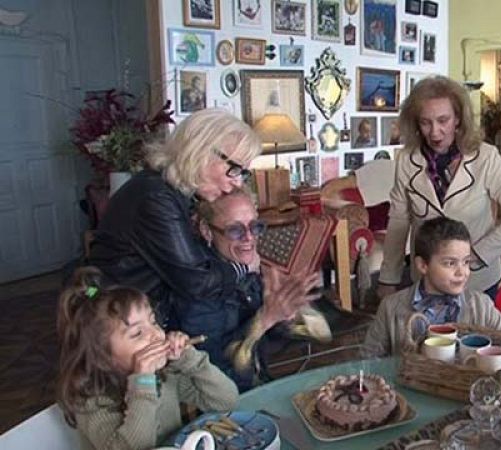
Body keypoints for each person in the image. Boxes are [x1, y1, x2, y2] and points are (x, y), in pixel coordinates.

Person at [90, 109, 263, 342]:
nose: (237, 182)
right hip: (118, 324)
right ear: (202, 152)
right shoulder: (157, 198)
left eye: (243, 173)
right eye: (234, 169)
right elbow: (197, 282)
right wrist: (245, 268)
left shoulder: (171, 191)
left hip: (134, 313)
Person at [377, 76, 501, 300]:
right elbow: (399, 222)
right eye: (425, 122)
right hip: (426, 283)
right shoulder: (406, 160)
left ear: (458, 119)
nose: (434, 132)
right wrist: (388, 279)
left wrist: (478, 254)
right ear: (415, 123)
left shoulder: (485, 157)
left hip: (476, 283)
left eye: (443, 120)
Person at [56, 267, 238, 450]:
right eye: (137, 333)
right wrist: (142, 383)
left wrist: (190, 358)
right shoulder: (91, 399)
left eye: (153, 322)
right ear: (104, 358)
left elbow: (225, 401)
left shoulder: (165, 374)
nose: (156, 334)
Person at [195, 189, 319, 390]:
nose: (249, 238)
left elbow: (267, 342)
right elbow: (217, 371)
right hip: (223, 403)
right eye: (235, 230)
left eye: (255, 227)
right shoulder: (199, 285)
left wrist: (287, 317)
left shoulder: (246, 270)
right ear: (207, 230)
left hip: (260, 384)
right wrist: (266, 318)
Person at [364, 217, 501, 357]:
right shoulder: (391, 307)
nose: (462, 272)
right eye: (450, 263)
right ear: (423, 265)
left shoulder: (481, 305)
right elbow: (368, 360)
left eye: (466, 262)